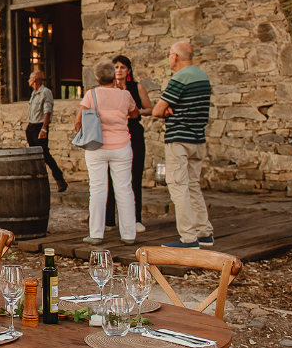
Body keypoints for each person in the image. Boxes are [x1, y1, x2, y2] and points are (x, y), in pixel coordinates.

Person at [152, 41, 214, 249]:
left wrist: (167, 109)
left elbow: (157, 111)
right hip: (197, 138)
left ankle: (188, 238)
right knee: (194, 186)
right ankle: (204, 232)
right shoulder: (202, 76)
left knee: (178, 187)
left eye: (169, 55)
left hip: (179, 138)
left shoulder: (180, 78)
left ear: (175, 56)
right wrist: (168, 108)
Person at [75, 60, 140, 245]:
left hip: (97, 146)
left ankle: (96, 233)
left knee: (97, 188)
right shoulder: (125, 95)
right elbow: (135, 114)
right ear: (114, 76)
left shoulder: (91, 94)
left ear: (96, 78)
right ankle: (128, 234)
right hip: (121, 146)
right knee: (124, 189)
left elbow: (78, 120)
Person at [105, 55, 154, 232]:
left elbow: (149, 109)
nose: (119, 70)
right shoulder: (108, 88)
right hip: (114, 134)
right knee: (110, 176)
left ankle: (135, 219)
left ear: (128, 70)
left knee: (134, 175)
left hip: (133, 132)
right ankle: (109, 220)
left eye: (122, 67)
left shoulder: (136, 87)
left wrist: (135, 111)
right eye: (116, 67)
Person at [26, 71, 69, 192]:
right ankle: (37, 182)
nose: (28, 80)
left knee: (44, 154)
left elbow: (47, 111)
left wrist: (44, 128)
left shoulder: (45, 93)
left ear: (34, 80)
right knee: (34, 156)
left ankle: (59, 179)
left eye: (30, 78)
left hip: (40, 126)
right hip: (31, 126)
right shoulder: (34, 94)